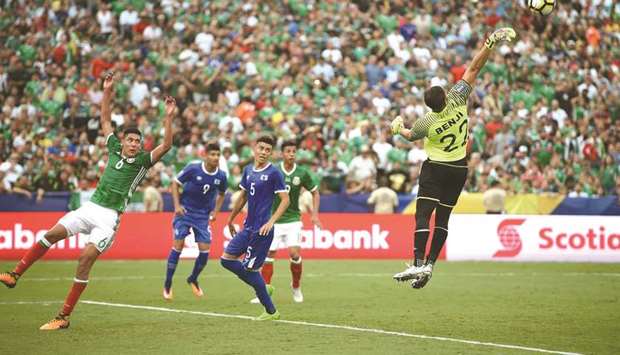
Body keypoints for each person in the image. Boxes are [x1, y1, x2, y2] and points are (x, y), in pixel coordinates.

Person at [0, 72, 177, 329]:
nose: (134, 144)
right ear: (123, 141)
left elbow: (167, 145)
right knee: (50, 235)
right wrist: (106, 91)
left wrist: (168, 118)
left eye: (138, 141)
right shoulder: (114, 147)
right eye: (130, 140)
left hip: (109, 217)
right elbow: (105, 119)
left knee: (85, 259)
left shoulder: (143, 161)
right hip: (90, 207)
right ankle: (15, 274)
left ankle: (63, 317)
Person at [390, 28, 516, 289]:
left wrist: (397, 127)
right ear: (446, 96)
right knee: (443, 219)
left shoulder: (428, 121)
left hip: (435, 168)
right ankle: (429, 266)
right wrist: (490, 43)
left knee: (423, 215)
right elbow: (474, 68)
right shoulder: (458, 100)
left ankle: (416, 261)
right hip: (459, 169)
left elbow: (410, 135)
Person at [220, 135, 289, 321]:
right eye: (261, 148)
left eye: (268, 150)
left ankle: (271, 312)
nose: (264, 152)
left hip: (262, 230)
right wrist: (231, 218)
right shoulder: (248, 170)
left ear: (271, 153)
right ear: (254, 148)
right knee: (226, 259)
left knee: (250, 270)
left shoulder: (274, 173)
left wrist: (271, 221)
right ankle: (262, 286)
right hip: (247, 227)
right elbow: (242, 196)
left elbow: (285, 200)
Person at [250, 140, 321, 304]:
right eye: (288, 151)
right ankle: (264, 292)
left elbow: (315, 193)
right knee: (268, 255)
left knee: (294, 254)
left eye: (294, 151)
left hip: (293, 219)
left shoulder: (302, 173)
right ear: (282, 154)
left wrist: (315, 215)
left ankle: (296, 286)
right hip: (273, 220)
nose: (291, 154)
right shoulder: (273, 171)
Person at [163, 142, 227, 300]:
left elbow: (222, 194)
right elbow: (175, 183)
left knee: (205, 252)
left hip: (203, 217)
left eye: (218, 155)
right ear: (205, 155)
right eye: (212, 154)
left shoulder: (221, 176)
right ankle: (168, 284)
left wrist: (215, 212)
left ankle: (193, 278)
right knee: (178, 245)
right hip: (185, 213)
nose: (215, 157)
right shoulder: (193, 168)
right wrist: (177, 206)